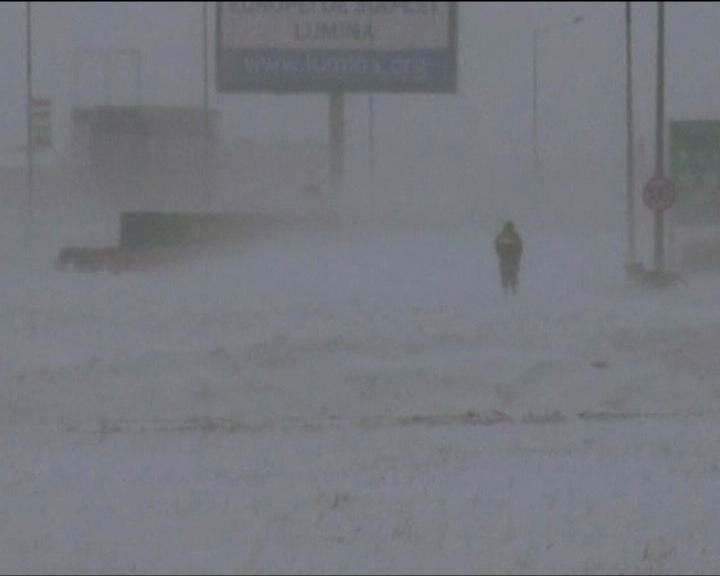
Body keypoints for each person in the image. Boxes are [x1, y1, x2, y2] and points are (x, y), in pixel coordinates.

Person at [495, 221, 523, 295]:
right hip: (513, 258)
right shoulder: (515, 235)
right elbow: (520, 247)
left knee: (505, 272)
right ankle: (513, 288)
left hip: (504, 257)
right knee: (513, 272)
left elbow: (497, 246)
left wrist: (500, 253)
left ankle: (505, 288)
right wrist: (518, 255)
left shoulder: (501, 235)